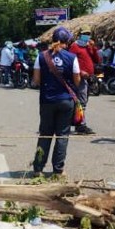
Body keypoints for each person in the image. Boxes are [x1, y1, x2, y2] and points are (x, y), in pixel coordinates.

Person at [31, 26, 80, 176]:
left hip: (47, 101)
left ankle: (38, 169)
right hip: (66, 101)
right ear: (67, 41)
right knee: (62, 135)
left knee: (45, 134)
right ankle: (58, 171)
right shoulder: (72, 57)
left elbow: (36, 80)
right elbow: (77, 81)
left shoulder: (41, 56)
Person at [68, 26, 100, 135]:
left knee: (83, 101)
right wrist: (81, 72)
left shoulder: (88, 47)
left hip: (89, 78)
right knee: (82, 101)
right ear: (80, 35)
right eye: (85, 33)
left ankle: (77, 122)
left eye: (88, 34)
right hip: (79, 78)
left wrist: (93, 48)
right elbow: (71, 62)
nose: (87, 36)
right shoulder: (74, 46)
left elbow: (97, 60)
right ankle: (81, 125)